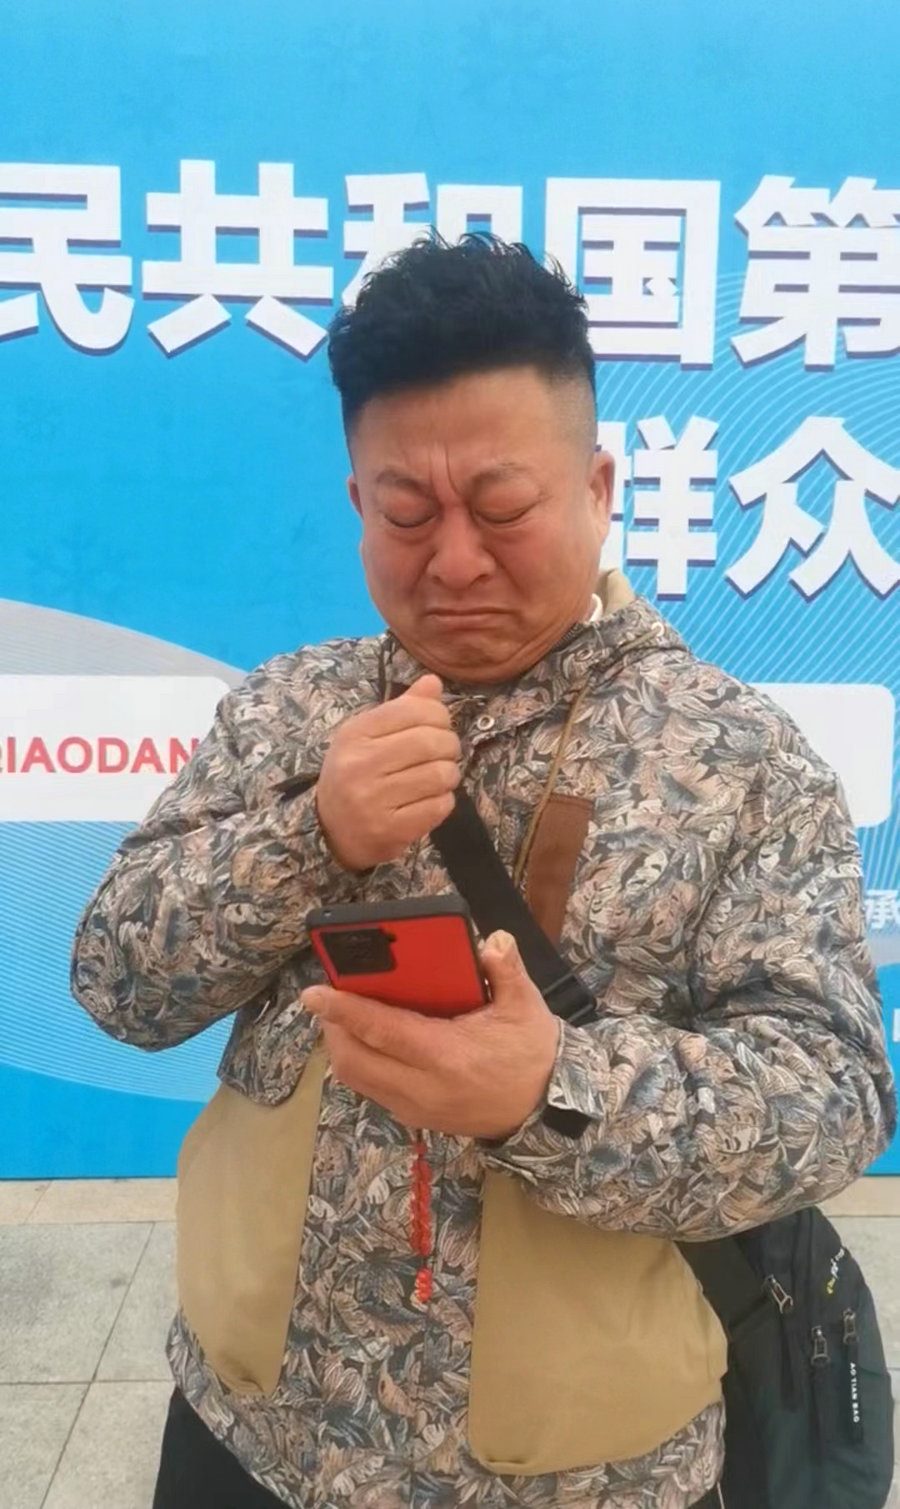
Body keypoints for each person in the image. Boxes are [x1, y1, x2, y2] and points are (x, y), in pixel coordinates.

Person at [70, 235, 895, 1509]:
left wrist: (550, 1091)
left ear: (598, 488)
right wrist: (309, 834)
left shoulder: (740, 760)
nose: (453, 560)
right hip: (253, 1434)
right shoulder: (290, 710)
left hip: (585, 1475)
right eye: (407, 512)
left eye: (502, 509)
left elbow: (832, 1098)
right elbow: (116, 984)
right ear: (359, 502)